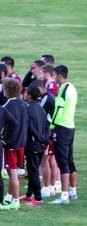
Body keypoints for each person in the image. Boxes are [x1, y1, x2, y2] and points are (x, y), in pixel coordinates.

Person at [49, 65, 78, 204]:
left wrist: (52, 126)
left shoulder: (63, 90)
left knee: (62, 162)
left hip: (62, 128)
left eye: (54, 76)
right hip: (71, 127)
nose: (53, 79)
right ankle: (73, 192)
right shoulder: (72, 87)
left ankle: (64, 196)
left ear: (60, 76)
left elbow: (58, 110)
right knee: (70, 159)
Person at [1, 78, 28, 210]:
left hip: (11, 144)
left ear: (7, 90)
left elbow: (4, 127)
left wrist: (4, 139)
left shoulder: (6, 107)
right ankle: (9, 196)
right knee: (14, 172)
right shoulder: (24, 104)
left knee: (12, 173)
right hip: (22, 142)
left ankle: (15, 201)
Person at [20, 86, 49, 206]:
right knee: (33, 170)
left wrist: (40, 139)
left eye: (26, 94)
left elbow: (30, 127)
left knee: (33, 172)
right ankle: (28, 194)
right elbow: (46, 126)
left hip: (32, 144)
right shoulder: (41, 109)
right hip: (40, 145)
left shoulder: (26, 108)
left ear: (30, 96)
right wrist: (44, 140)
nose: (24, 95)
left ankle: (38, 198)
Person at [32, 80, 61, 197]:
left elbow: (38, 114)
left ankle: (47, 187)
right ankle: (53, 186)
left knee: (44, 161)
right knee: (51, 160)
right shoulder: (48, 96)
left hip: (48, 133)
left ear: (39, 88)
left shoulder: (46, 98)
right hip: (53, 132)